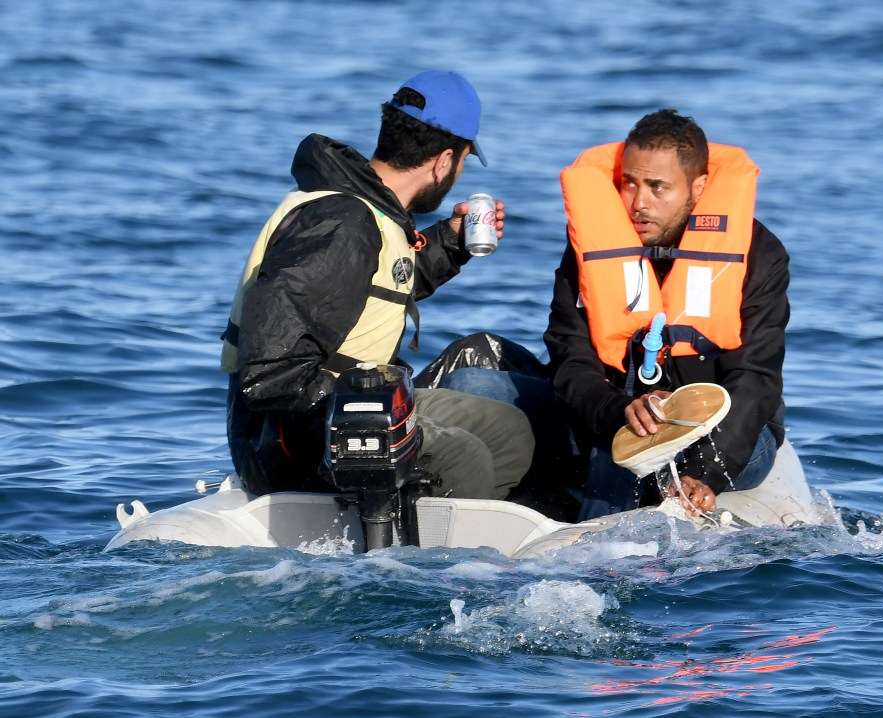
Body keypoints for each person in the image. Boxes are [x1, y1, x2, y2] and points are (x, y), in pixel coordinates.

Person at [220, 70, 533, 502]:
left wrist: (450, 242)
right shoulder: (343, 222)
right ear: (443, 162)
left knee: (508, 430)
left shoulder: (368, 210)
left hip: (340, 408)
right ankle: (446, 566)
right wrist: (371, 404)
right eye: (461, 162)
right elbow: (270, 370)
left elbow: (368, 290)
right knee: (464, 455)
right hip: (287, 439)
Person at [544, 108, 790, 521]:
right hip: (616, 418)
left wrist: (702, 474)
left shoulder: (758, 254)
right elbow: (570, 357)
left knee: (635, 451)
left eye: (658, 187)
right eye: (629, 184)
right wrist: (615, 410)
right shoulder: (591, 251)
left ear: (699, 186)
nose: (638, 203)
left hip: (720, 435)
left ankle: (607, 562)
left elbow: (755, 381)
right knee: (627, 440)